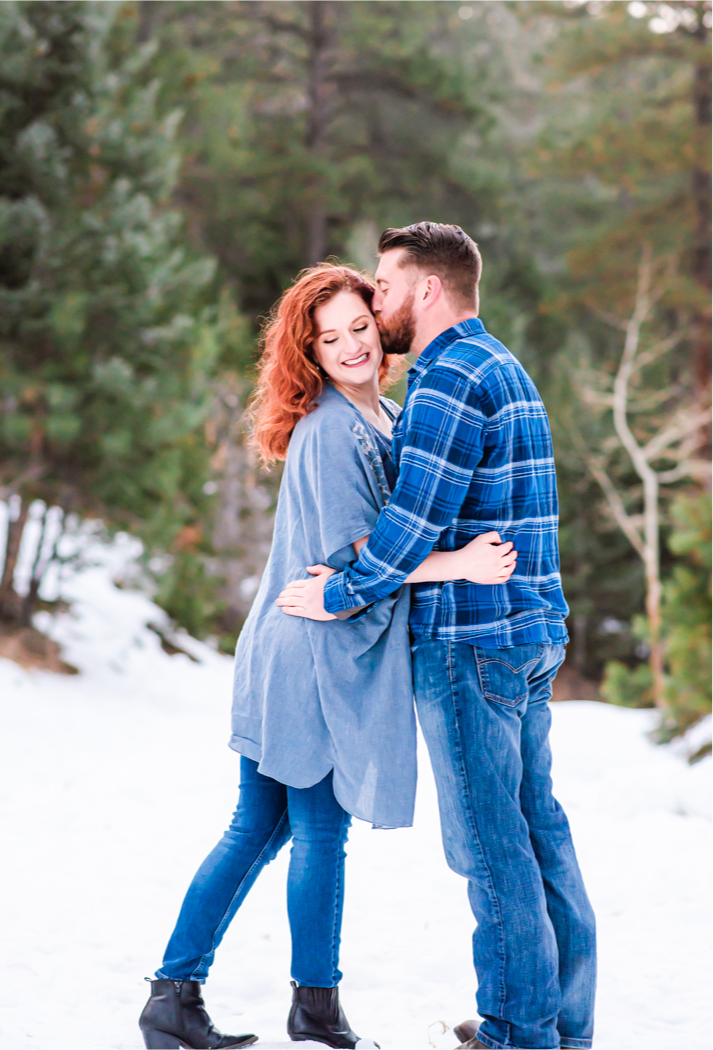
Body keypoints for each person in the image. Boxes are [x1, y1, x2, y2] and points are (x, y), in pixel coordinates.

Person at [139, 264, 519, 1050]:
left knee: (267, 829)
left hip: (328, 652)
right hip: (305, 654)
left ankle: (181, 997)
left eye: (358, 327)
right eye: (329, 336)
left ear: (380, 329)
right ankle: (304, 1011)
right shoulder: (328, 430)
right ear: (308, 350)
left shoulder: (381, 413)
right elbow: (353, 555)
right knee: (305, 832)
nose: (349, 345)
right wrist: (460, 563)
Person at [277, 224, 593, 1050]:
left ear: (426, 290)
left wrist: (339, 591)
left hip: (470, 645)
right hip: (530, 634)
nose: (374, 304)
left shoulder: (446, 379)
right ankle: (563, 1025)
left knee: (495, 852)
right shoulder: (501, 365)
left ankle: (520, 1034)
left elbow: (411, 525)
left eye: (382, 287)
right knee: (538, 834)